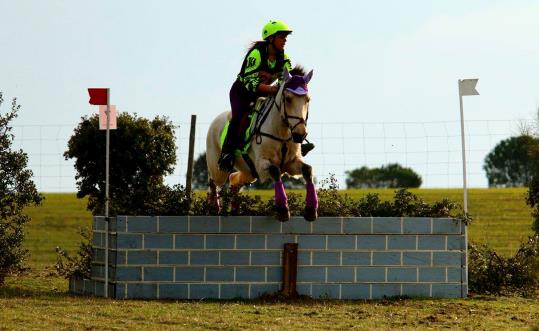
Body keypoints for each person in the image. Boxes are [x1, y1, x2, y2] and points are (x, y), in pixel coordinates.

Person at [218, 20, 293, 172]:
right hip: (242, 92)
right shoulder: (256, 54)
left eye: (286, 37)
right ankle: (226, 154)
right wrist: (273, 90)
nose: (285, 40)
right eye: (281, 36)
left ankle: (297, 141)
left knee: (284, 111)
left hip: (265, 92)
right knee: (239, 117)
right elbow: (250, 83)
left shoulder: (284, 57)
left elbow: (286, 79)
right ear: (270, 38)